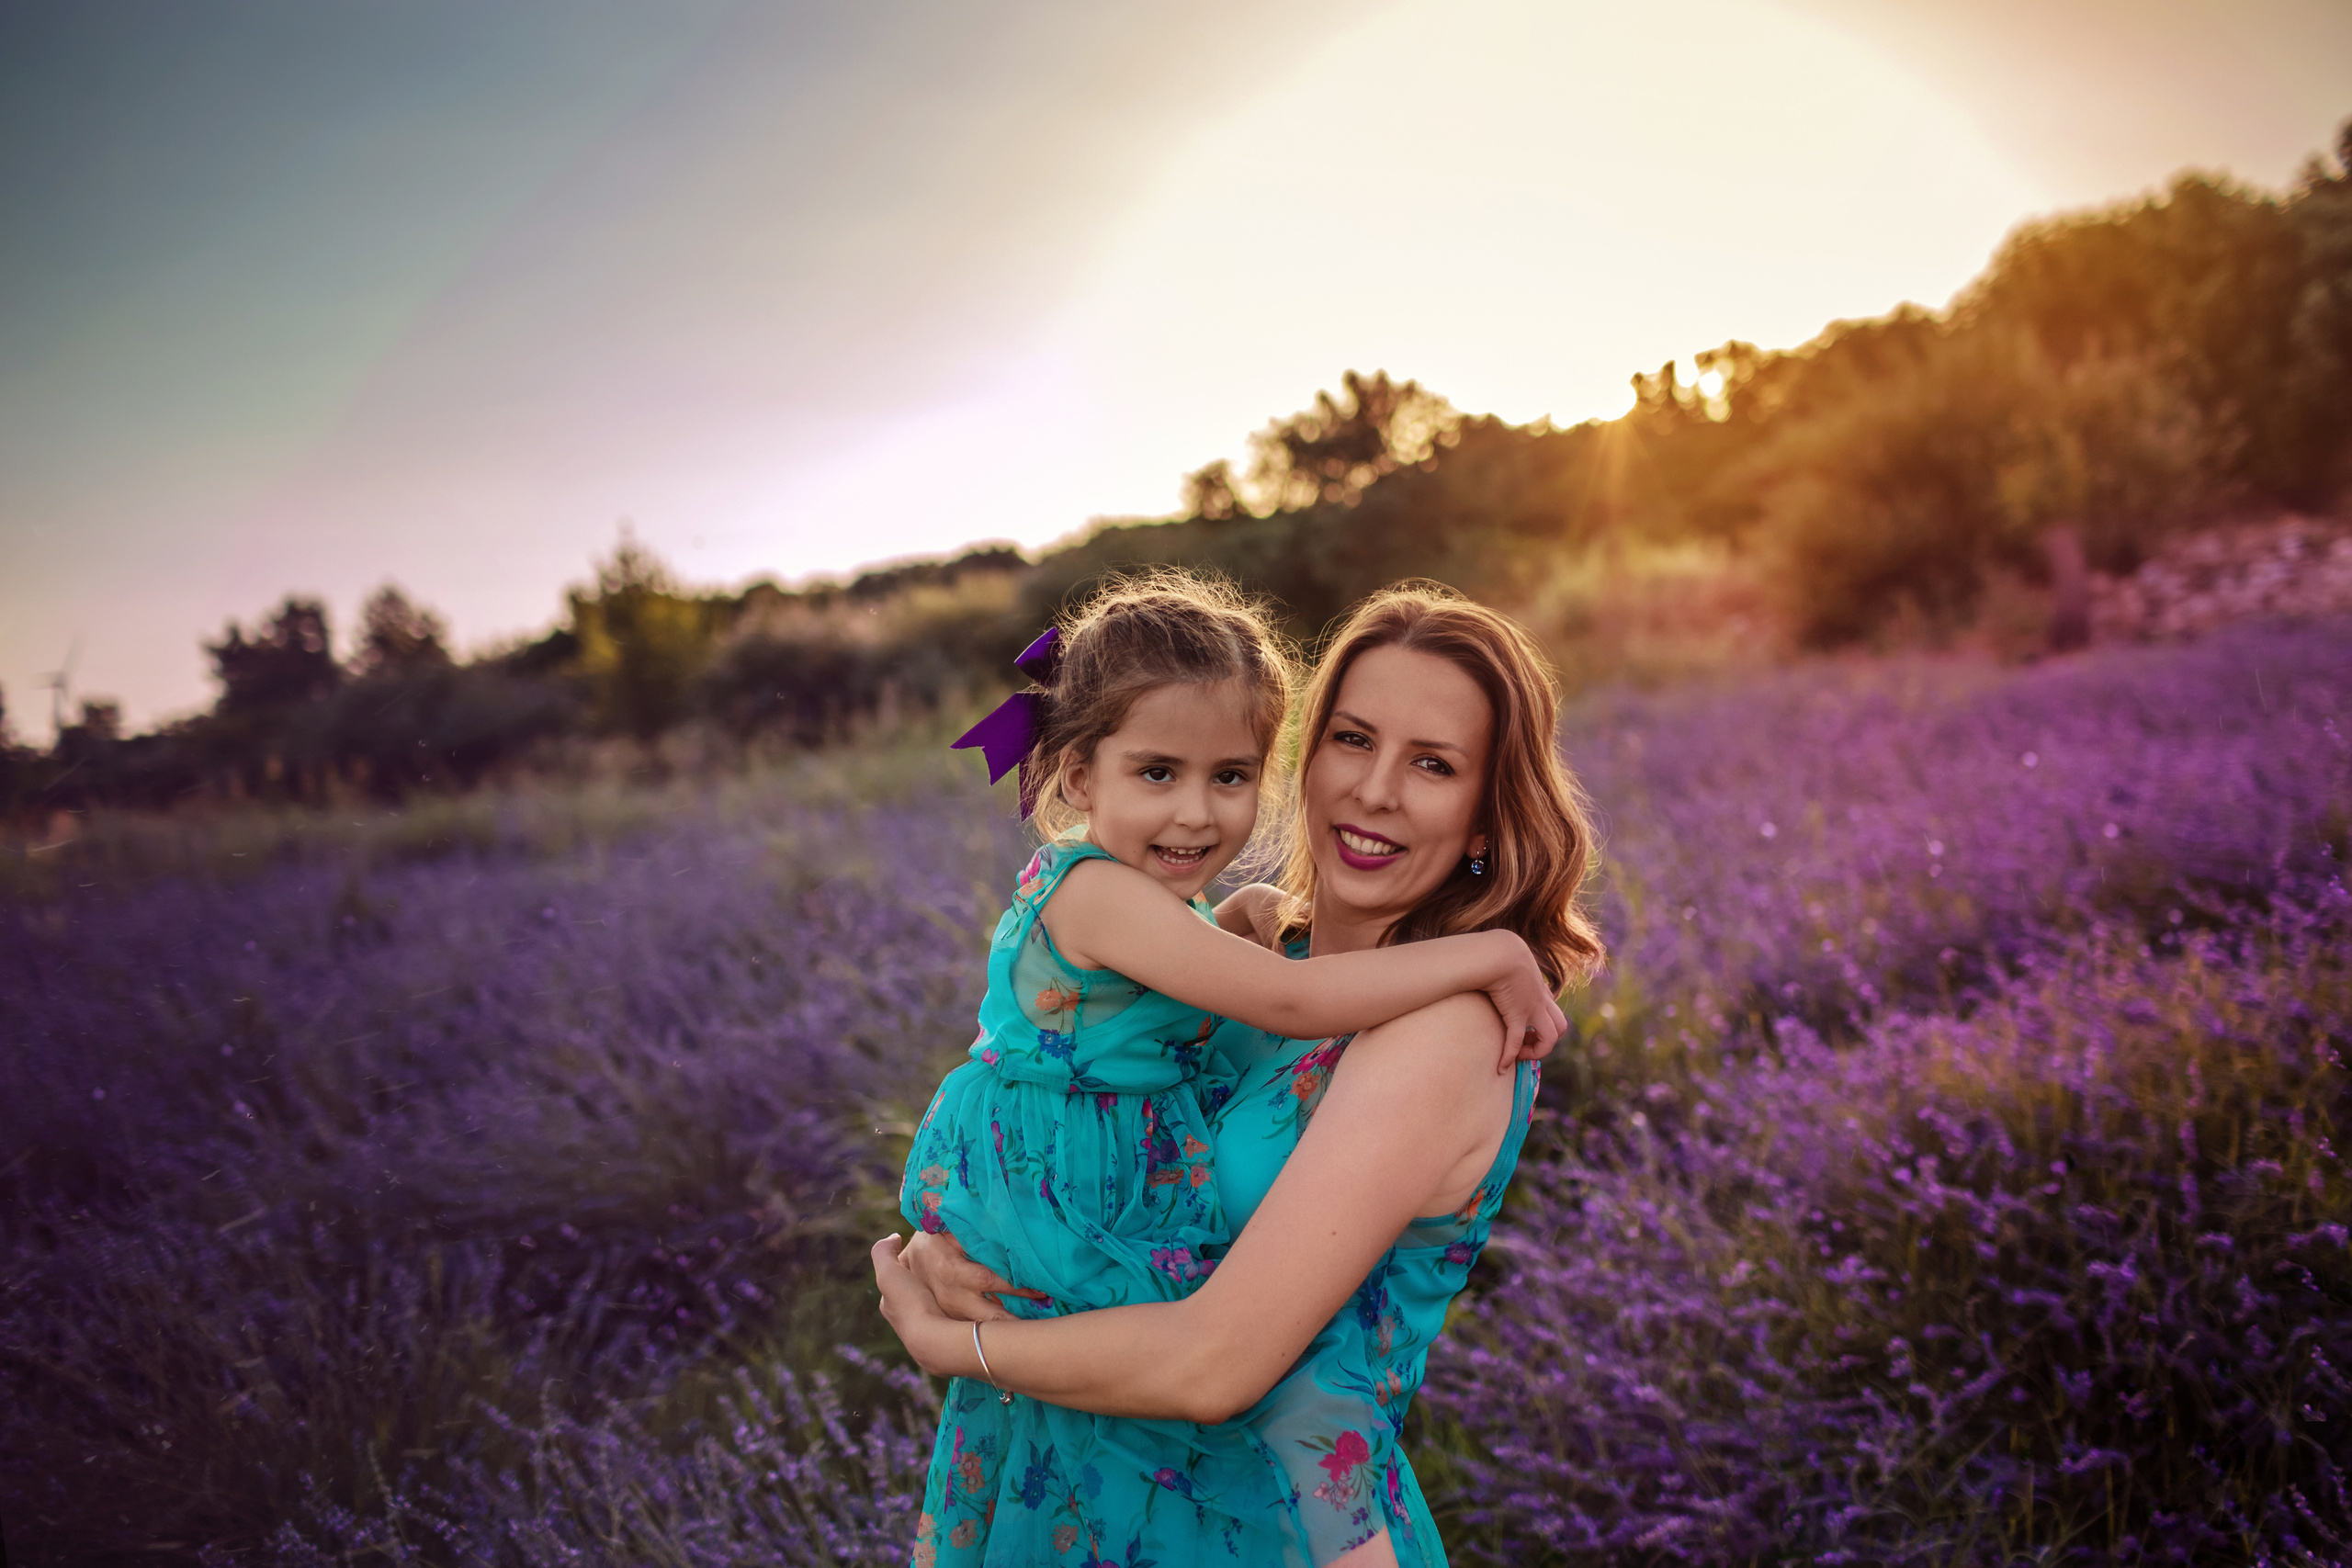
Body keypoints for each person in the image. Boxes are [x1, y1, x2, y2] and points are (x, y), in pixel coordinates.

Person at [876, 582, 1605, 1566]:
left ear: (1484, 819)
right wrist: (961, 1248)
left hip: (1275, 1529)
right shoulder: (1260, 965)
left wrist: (950, 1343)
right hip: (1086, 1491)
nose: (1375, 790)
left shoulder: (1441, 1032)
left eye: (1432, 764)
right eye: (1352, 739)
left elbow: (1215, 1363)